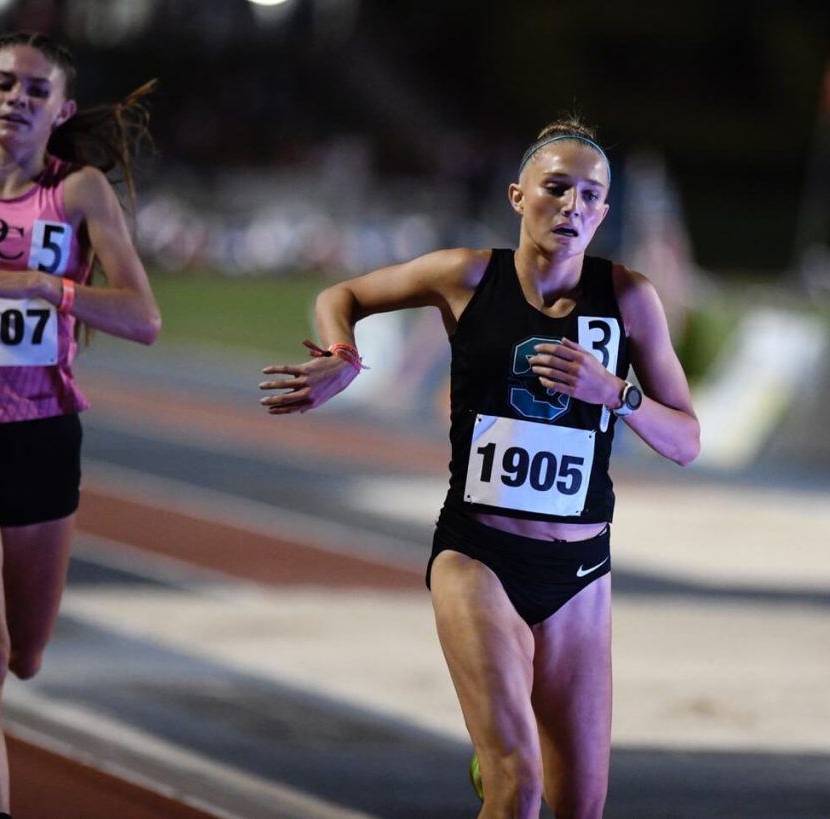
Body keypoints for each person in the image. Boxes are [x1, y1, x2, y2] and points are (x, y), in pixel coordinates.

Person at [260, 116, 700, 818]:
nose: (572, 206)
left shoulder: (628, 299)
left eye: (590, 196)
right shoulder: (465, 275)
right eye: (556, 187)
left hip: (581, 573)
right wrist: (343, 355)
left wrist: (615, 392)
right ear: (518, 195)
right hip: (480, 554)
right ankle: (499, 754)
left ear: (605, 213)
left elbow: (686, 439)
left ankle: (499, 744)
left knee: (579, 805)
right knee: (517, 785)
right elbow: (341, 294)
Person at [0, 31, 160, 819]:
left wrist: (43, 285)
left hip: (45, 438)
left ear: (60, 110)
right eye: (4, 83)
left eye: (36, 90)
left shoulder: (77, 194)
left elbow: (143, 317)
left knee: (29, 656)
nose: (18, 97)